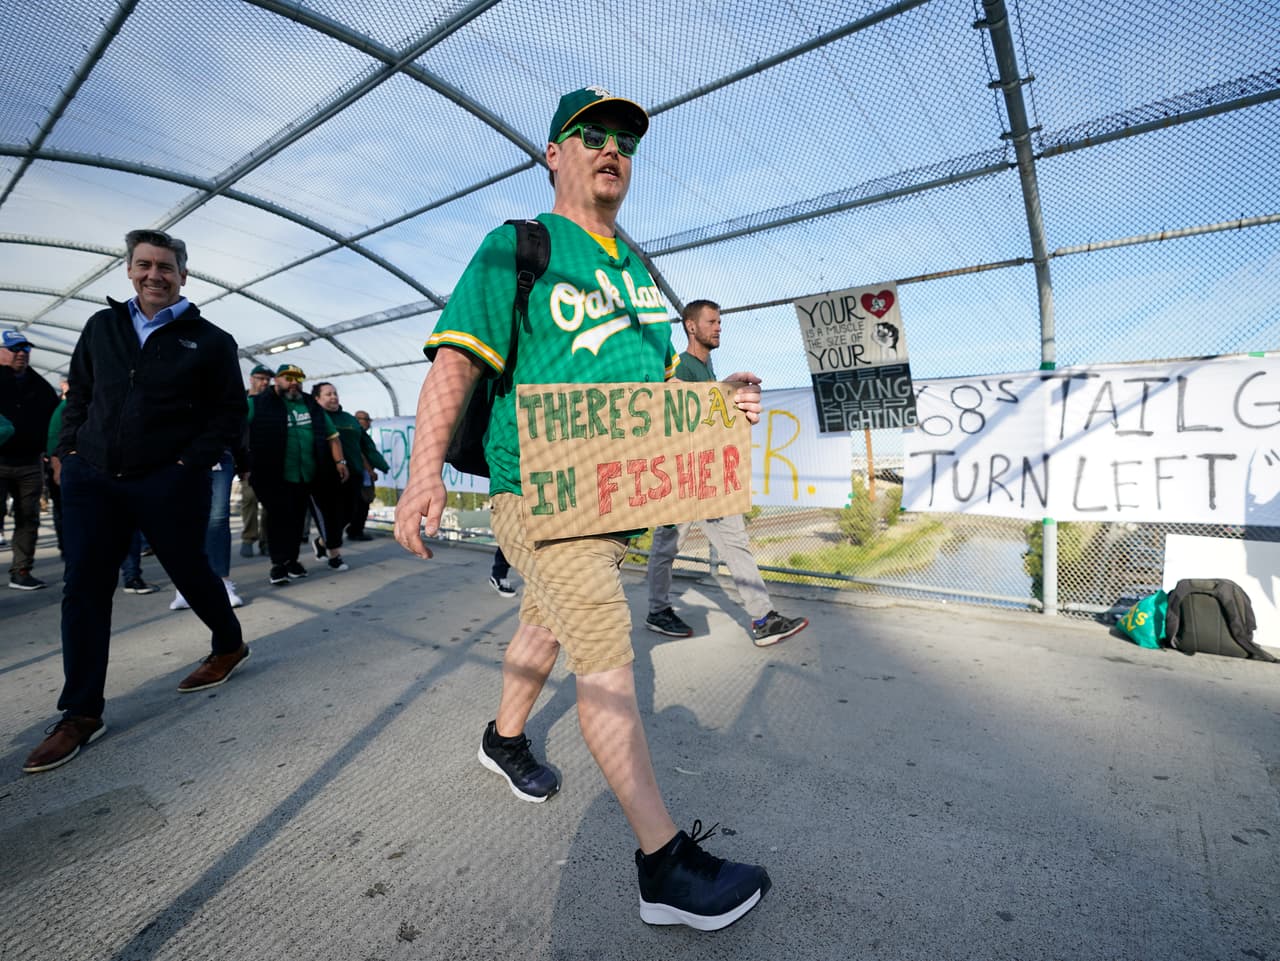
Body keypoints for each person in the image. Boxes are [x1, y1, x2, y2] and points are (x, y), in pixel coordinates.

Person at [394, 87, 771, 931]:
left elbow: (658, 392)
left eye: (624, 143)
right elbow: (457, 358)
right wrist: (425, 475)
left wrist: (719, 401)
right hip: (533, 488)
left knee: (548, 621)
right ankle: (663, 865)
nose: (611, 150)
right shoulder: (519, 246)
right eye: (591, 135)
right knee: (605, 648)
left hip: (609, 501)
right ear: (554, 155)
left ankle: (503, 736)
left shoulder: (636, 273)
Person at [23, 228, 250, 774]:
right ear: (129, 270)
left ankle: (228, 644)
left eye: (166, 267)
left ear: (183, 275)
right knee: (84, 588)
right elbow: (78, 392)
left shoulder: (211, 340)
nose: (155, 275)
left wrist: (184, 466)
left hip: (166, 480)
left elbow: (228, 415)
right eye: (144, 265)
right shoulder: (102, 326)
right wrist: (68, 453)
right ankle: (80, 712)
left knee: (189, 570)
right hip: (92, 477)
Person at [645, 300, 809, 648]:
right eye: (712, 322)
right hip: (682, 478)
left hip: (710, 477)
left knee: (735, 543)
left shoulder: (706, 369)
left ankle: (764, 618)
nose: (719, 327)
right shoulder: (683, 367)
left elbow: (708, 411)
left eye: (720, 322)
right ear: (691, 326)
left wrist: (727, 389)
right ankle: (658, 610)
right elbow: (679, 414)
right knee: (666, 546)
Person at [247, 363, 348, 584]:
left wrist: (340, 461)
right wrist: (243, 463)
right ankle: (278, 565)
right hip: (274, 475)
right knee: (278, 519)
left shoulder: (310, 405)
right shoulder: (258, 404)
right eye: (288, 378)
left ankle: (292, 561)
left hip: (307, 475)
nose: (294, 383)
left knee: (296, 520)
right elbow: (236, 429)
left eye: (298, 379)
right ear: (277, 380)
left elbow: (331, 435)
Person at [0, 329, 60, 590]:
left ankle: (21, 570)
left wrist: (51, 454)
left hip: (29, 463)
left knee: (29, 517)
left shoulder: (39, 385)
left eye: (25, 348)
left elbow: (53, 419)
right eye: (15, 349)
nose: (22, 353)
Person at [239, 364, 272, 558]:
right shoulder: (241, 400)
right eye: (260, 378)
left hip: (268, 460)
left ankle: (265, 540)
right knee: (249, 499)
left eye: (267, 379)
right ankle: (248, 538)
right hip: (248, 459)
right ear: (251, 379)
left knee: (268, 502)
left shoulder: (272, 402)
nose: (264, 382)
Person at [345, 409, 378, 540]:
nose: (369, 422)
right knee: (360, 504)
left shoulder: (363, 436)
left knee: (362, 503)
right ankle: (355, 530)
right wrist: (370, 471)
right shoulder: (356, 435)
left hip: (362, 475)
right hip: (359, 475)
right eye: (366, 419)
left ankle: (356, 529)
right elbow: (360, 454)